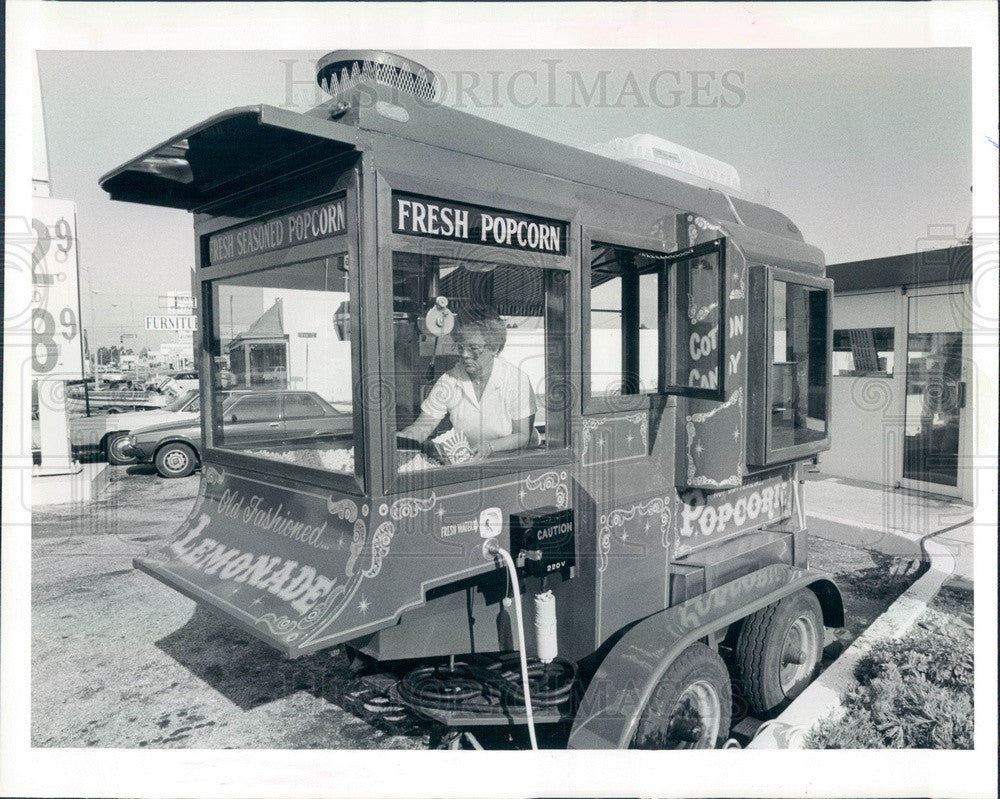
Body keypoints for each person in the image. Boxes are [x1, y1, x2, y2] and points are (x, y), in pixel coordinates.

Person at [398, 309, 536, 460]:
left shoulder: (515, 380)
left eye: (473, 348)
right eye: (460, 347)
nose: (465, 355)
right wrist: (401, 438)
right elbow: (422, 428)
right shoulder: (449, 380)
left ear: (494, 348)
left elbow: (522, 436)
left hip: (511, 460)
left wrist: (489, 446)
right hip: (468, 460)